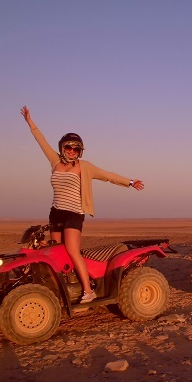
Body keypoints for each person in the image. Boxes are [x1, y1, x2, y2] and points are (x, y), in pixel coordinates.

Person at [21, 106, 144, 303]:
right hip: (56, 213)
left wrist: (130, 182)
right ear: (62, 147)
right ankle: (62, 288)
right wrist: (30, 122)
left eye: (75, 148)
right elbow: (40, 141)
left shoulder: (84, 167)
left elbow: (107, 176)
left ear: (80, 151)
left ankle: (88, 290)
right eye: (68, 147)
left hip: (74, 213)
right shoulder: (55, 162)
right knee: (56, 251)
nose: (72, 151)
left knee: (71, 250)